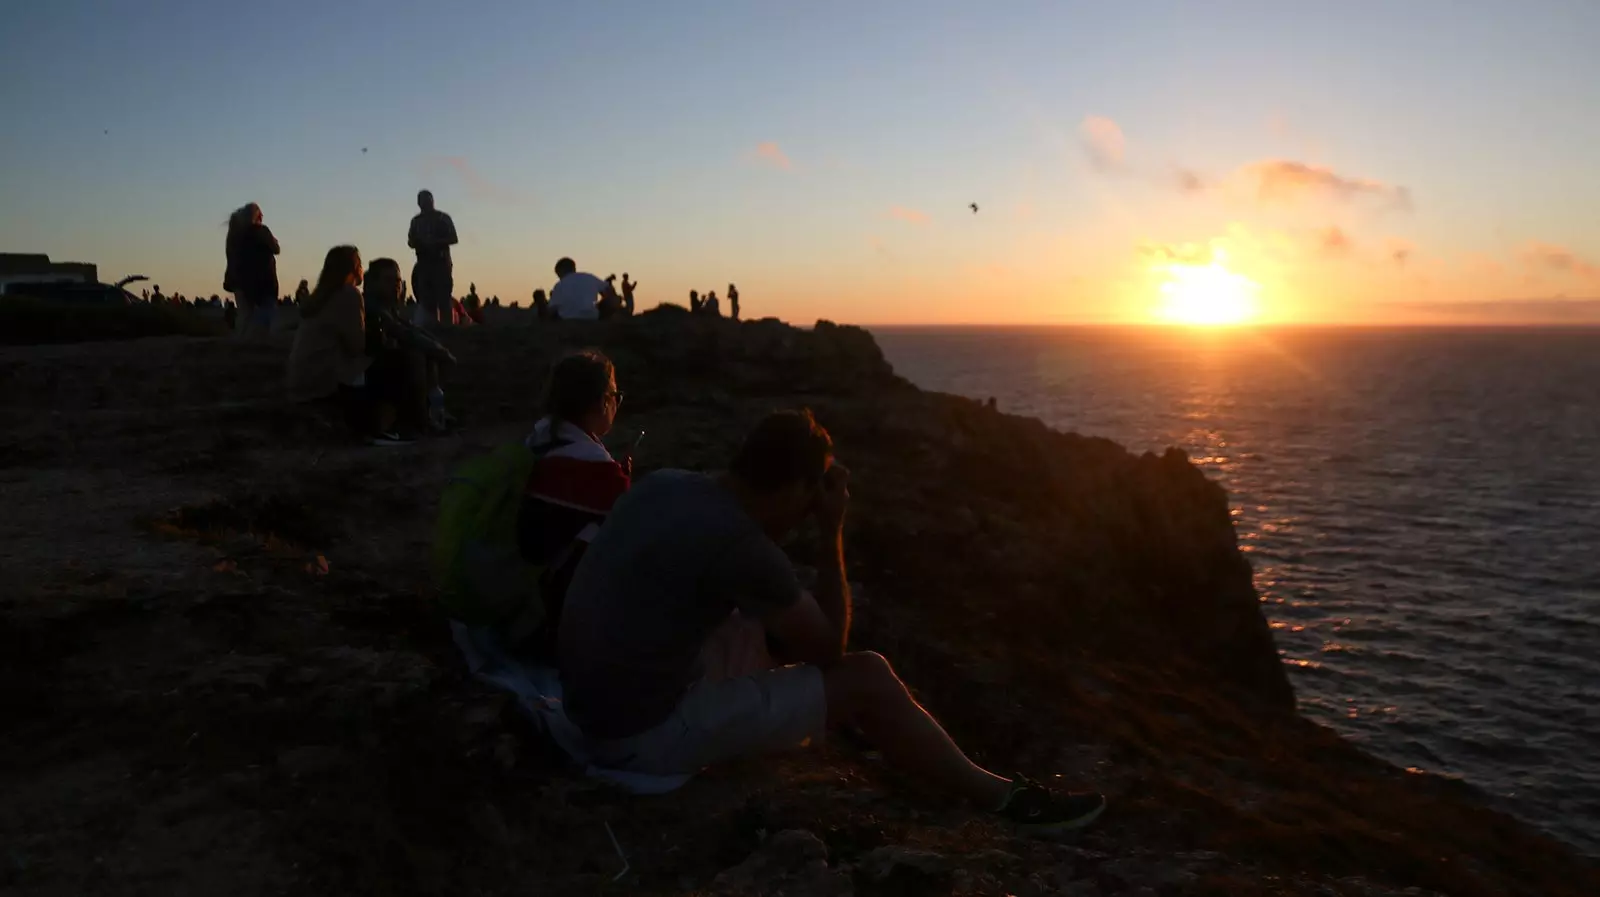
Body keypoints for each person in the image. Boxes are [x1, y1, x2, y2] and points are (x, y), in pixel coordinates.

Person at [557, 410, 1107, 833]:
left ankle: (861, 728)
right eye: (806, 502)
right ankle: (1002, 798)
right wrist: (830, 531)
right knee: (867, 676)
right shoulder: (740, 546)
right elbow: (829, 648)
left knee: (752, 622)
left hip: (587, 702)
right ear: (797, 487)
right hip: (637, 739)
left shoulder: (667, 485)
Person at [513, 350, 633, 658]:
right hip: (544, 607)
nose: (618, 403)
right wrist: (620, 482)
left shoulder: (537, 440)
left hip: (514, 583)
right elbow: (632, 523)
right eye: (615, 395)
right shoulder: (591, 465)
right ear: (601, 402)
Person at [286, 245, 412, 445]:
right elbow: (356, 346)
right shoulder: (349, 294)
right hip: (324, 378)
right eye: (360, 265)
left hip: (302, 377)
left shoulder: (320, 297)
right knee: (396, 361)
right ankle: (379, 428)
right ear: (354, 268)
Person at [364, 257, 453, 432]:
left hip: (374, 366)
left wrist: (437, 347)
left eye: (397, 281)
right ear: (373, 283)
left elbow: (410, 329)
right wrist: (439, 351)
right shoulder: (371, 306)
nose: (396, 286)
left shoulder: (388, 307)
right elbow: (403, 333)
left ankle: (432, 413)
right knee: (415, 354)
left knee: (423, 352)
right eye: (388, 280)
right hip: (361, 370)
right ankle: (421, 420)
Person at [224, 202, 280, 338]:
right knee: (267, 313)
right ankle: (257, 343)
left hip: (239, 281)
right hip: (262, 281)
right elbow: (276, 249)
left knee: (244, 316)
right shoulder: (261, 232)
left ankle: (242, 343)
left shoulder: (234, 236)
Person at [408, 189, 458, 325]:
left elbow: (454, 238)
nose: (425, 203)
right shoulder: (416, 221)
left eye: (427, 199)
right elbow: (410, 241)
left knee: (444, 298)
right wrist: (419, 243)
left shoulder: (443, 218)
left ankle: (448, 327)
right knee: (427, 299)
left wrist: (435, 242)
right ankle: (432, 327)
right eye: (422, 200)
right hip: (424, 264)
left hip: (441, 263)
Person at [548, 257, 618, 321]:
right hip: (592, 315)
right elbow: (609, 289)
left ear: (561, 271)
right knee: (612, 299)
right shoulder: (589, 277)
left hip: (568, 317)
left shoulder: (560, 284)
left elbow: (552, 308)